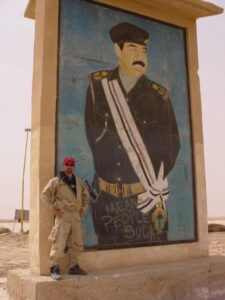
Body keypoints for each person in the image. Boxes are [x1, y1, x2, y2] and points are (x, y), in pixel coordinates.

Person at [85, 22, 180, 248]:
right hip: (106, 200)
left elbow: (172, 147)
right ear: (118, 50)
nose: (141, 56)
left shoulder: (159, 97)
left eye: (144, 50)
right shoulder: (97, 87)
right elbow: (93, 135)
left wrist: (152, 186)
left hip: (145, 199)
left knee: (153, 260)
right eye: (133, 49)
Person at [41, 156, 89, 280]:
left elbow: (85, 195)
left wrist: (83, 207)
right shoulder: (56, 181)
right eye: (67, 164)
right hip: (63, 216)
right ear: (64, 166)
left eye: (71, 165)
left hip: (75, 216)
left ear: (74, 166)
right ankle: (54, 268)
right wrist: (54, 208)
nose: (69, 167)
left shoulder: (78, 181)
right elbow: (44, 195)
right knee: (59, 241)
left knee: (76, 241)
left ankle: (74, 267)